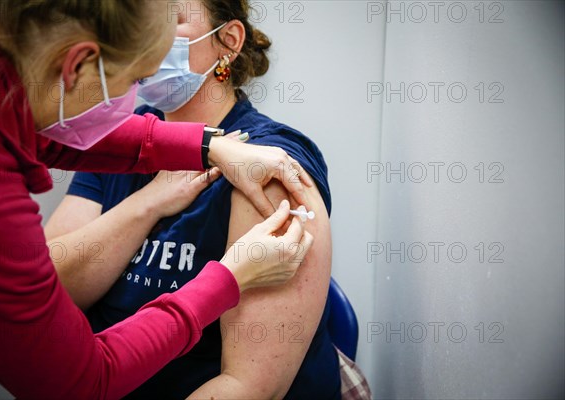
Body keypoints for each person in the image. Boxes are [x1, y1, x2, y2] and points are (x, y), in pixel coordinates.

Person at [0, 2, 316, 399]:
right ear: (78, 64)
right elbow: (79, 372)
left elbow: (253, 385)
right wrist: (225, 276)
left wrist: (207, 147)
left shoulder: (271, 158)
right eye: (135, 77)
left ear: (229, 42)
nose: (134, 95)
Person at [46, 1, 371, 399]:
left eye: (169, 19)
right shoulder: (114, 141)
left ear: (228, 42)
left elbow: (251, 387)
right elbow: (51, 290)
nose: (142, 36)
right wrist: (149, 202)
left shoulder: (267, 165)